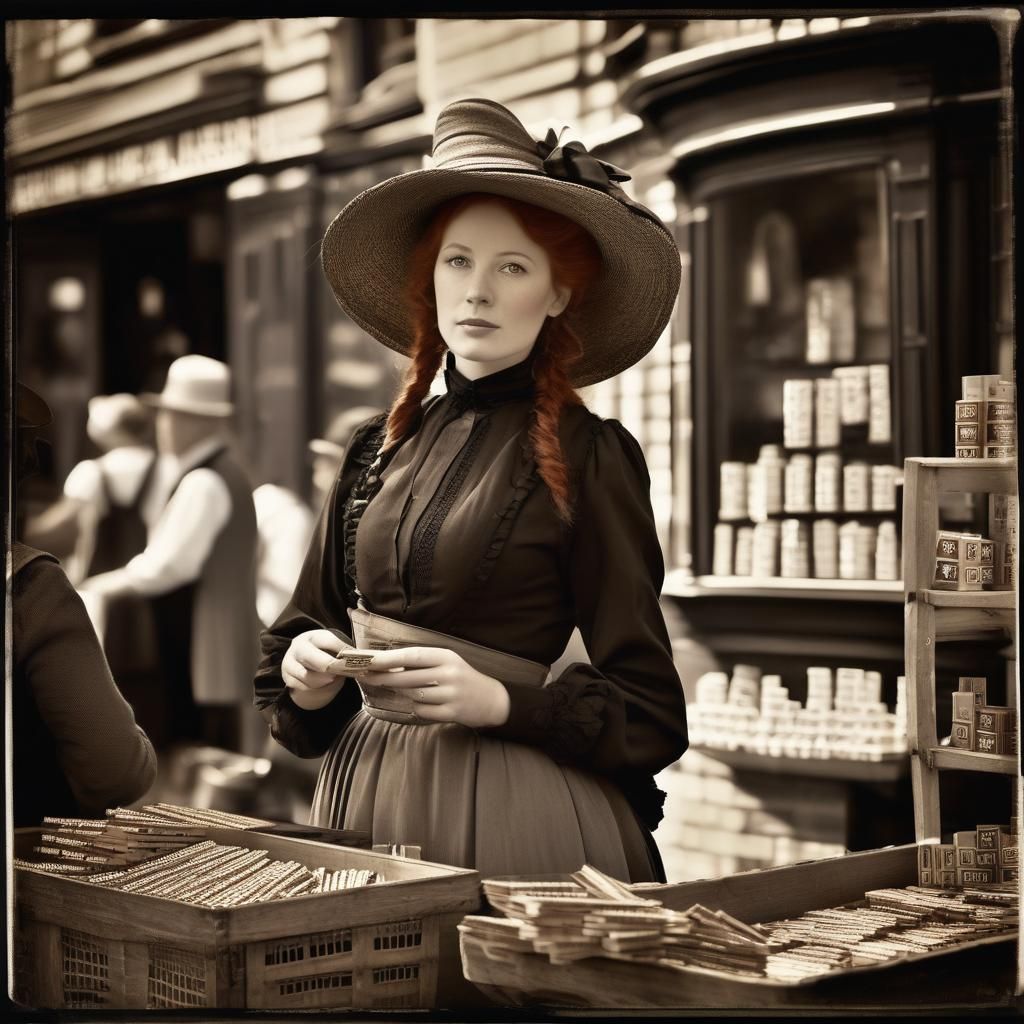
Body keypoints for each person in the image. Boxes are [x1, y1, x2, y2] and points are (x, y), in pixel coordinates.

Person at [255, 98, 688, 882]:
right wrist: (309, 675)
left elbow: (652, 709)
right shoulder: (371, 448)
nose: (477, 293)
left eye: (512, 267)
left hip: (516, 817)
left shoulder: (592, 456)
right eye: (458, 261)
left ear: (557, 295)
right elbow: (300, 636)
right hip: (364, 802)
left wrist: (499, 702)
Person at [80, 355, 261, 754]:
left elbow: (166, 566)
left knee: (195, 754)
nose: (164, 425)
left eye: (173, 415)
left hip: (198, 646)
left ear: (200, 420)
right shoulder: (225, 472)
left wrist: (100, 587)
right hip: (220, 642)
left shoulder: (203, 481)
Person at [11, 383, 157, 826]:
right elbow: (114, 772)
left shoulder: (91, 473)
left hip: (100, 586)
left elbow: (64, 529)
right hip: (132, 603)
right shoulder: (30, 588)